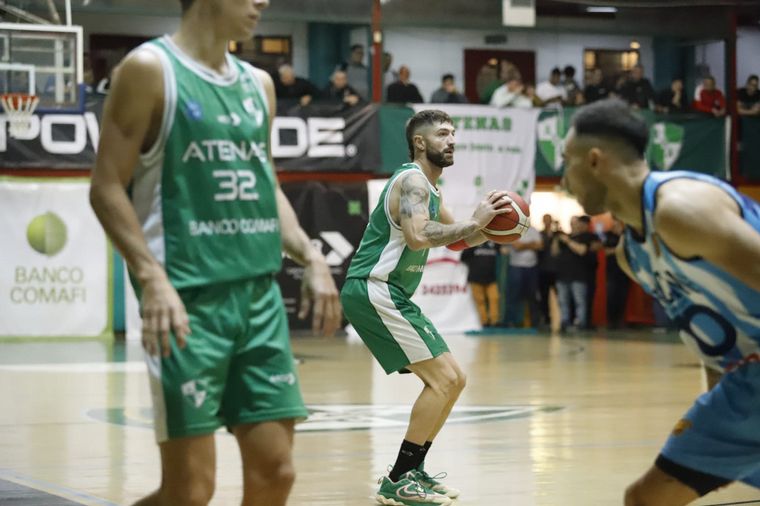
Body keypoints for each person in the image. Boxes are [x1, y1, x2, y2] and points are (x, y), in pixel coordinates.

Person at [88, 1, 343, 505]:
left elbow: (264, 184)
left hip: (257, 297)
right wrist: (151, 277)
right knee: (189, 492)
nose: (263, 2)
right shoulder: (148, 70)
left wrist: (311, 257)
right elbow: (106, 187)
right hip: (186, 303)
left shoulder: (259, 85)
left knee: (277, 472)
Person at [561, 98, 760, 506]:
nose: (563, 179)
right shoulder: (632, 256)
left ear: (594, 160)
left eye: (567, 162)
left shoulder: (681, 211)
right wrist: (715, 412)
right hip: (745, 385)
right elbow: (712, 338)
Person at [340, 109, 512, 505]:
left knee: (454, 379)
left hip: (389, 292)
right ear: (420, 142)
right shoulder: (413, 181)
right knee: (442, 380)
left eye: (453, 134)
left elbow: (454, 240)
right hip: (374, 288)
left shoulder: (432, 188)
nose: (451, 140)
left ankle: (412, 469)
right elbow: (419, 237)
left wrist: (493, 229)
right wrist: (474, 225)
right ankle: (398, 480)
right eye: (442, 134)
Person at [502, 225, 543, 328]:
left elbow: (540, 245)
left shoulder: (533, 230)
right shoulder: (513, 229)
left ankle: (534, 323)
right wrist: (531, 244)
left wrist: (524, 245)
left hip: (532, 267)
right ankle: (511, 322)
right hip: (516, 266)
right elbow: (517, 246)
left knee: (532, 296)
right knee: (513, 295)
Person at [461, 241, 500, 327]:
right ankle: (484, 322)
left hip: (491, 277)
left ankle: (495, 321)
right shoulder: (473, 243)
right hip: (475, 278)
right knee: (480, 301)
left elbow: (501, 251)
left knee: (494, 298)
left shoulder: (494, 243)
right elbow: (463, 257)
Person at [603, 219, 629, 329]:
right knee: (611, 296)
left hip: (624, 272)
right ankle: (611, 321)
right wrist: (620, 250)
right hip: (612, 272)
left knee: (622, 297)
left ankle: (620, 320)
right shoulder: (608, 236)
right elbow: (606, 251)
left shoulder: (626, 236)